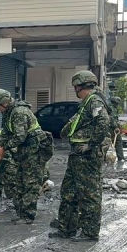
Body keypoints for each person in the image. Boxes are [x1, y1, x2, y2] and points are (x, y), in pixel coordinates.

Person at [49, 70, 109, 242]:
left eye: (75, 86)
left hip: (87, 156)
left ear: (79, 86)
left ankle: (90, 232)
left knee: (89, 194)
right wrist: (65, 131)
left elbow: (104, 122)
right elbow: (75, 123)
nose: (75, 89)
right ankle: (66, 229)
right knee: (69, 192)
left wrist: (91, 144)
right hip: (76, 155)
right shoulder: (86, 103)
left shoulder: (95, 101)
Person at [0, 89, 50, 224]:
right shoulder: (8, 113)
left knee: (30, 183)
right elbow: (6, 133)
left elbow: (19, 136)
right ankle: (21, 213)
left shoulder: (19, 112)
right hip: (24, 150)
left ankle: (28, 216)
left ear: (4, 103)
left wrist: (4, 148)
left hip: (35, 150)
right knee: (20, 181)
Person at [109, 96, 126, 161]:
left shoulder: (110, 107)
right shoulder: (112, 109)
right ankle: (120, 157)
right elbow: (112, 118)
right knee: (118, 141)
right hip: (112, 128)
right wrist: (115, 127)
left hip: (109, 127)